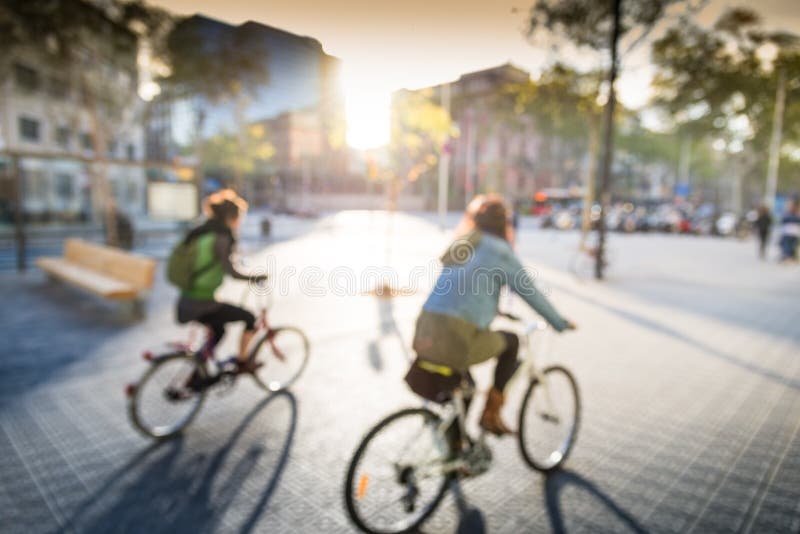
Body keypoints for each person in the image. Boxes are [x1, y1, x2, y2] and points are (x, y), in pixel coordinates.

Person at [405, 194, 575, 436]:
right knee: (512, 342)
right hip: (456, 336)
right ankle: (490, 414)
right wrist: (559, 322)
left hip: (425, 328)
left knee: (465, 387)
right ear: (505, 223)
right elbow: (531, 293)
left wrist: (488, 306)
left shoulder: (465, 243)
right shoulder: (499, 251)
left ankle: (456, 449)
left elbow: (461, 288)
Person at [176, 189, 266, 373]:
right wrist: (255, 277)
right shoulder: (222, 236)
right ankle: (242, 362)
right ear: (232, 217)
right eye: (239, 217)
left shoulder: (203, 232)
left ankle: (198, 369)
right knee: (249, 318)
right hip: (202, 303)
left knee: (219, 331)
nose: (239, 222)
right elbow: (231, 271)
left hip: (187, 300)